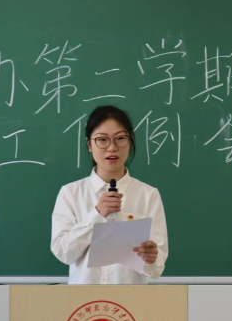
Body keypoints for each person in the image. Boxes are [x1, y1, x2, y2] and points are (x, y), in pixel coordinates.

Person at [51, 105, 168, 284]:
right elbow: (63, 253)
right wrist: (96, 215)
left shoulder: (148, 195)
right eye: (102, 140)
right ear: (89, 145)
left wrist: (151, 258)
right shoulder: (71, 193)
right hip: (84, 298)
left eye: (120, 138)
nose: (112, 147)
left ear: (130, 142)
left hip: (130, 299)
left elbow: (156, 268)